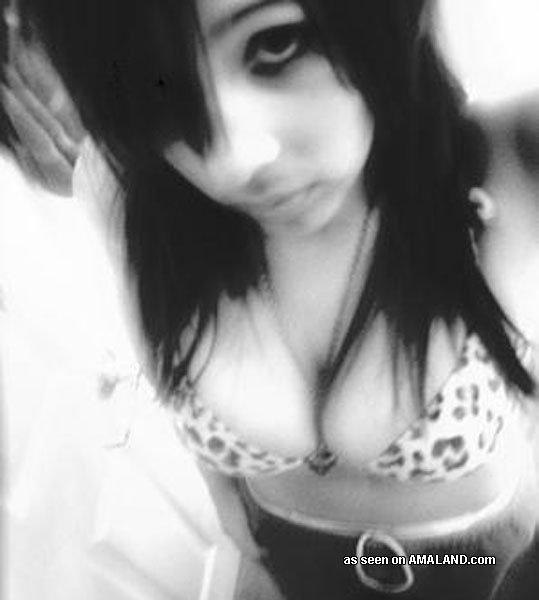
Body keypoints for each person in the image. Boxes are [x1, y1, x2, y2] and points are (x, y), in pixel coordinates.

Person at [15, 0, 539, 598]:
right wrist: (223, 499)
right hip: (283, 544)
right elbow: (164, 365)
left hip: (470, 558)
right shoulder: (127, 188)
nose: (233, 163)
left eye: (277, 44)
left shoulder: (510, 162)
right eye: (159, 86)